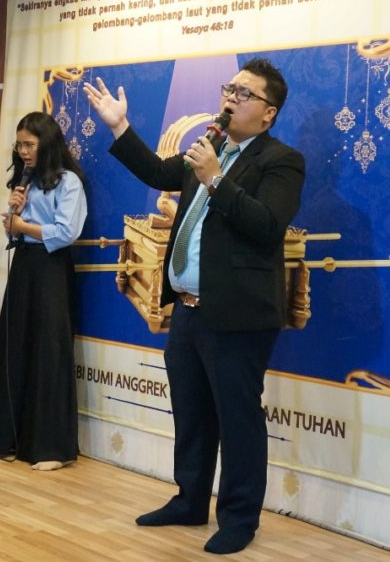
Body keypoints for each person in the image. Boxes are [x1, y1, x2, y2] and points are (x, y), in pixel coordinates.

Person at [84, 58, 305, 555]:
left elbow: (267, 225)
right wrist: (119, 126)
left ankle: (239, 518)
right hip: (187, 309)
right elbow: (157, 171)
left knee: (238, 419)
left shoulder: (280, 160)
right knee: (192, 411)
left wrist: (216, 180)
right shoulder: (210, 148)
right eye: (230, 88)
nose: (230, 97)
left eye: (244, 93)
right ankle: (189, 500)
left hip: (238, 315)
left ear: (268, 112)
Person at [0, 111, 87, 471]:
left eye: (29, 144)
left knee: (48, 351)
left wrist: (22, 225)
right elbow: (14, 230)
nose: (23, 151)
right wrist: (13, 220)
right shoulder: (25, 182)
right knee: (16, 343)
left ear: (47, 144)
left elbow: (65, 232)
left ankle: (52, 448)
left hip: (51, 270)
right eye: (19, 145)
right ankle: (7, 436)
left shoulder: (68, 182)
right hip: (25, 264)